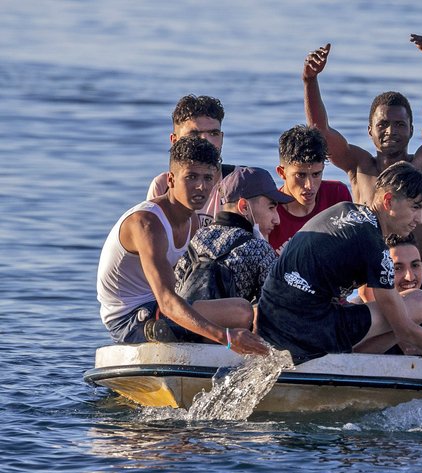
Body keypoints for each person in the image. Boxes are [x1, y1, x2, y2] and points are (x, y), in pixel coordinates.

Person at [256, 162, 422, 373]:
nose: (419, 219)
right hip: (302, 333)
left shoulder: (346, 210)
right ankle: (350, 368)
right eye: (415, 208)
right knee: (418, 303)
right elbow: (403, 329)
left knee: (417, 302)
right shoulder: (374, 246)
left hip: (270, 319)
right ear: (388, 201)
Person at [302, 35, 422, 283]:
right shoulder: (360, 165)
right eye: (383, 124)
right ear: (370, 130)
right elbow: (319, 133)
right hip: (371, 280)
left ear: (412, 130)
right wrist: (309, 80)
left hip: (421, 278)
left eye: (400, 124)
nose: (391, 131)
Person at [97, 136, 269, 354]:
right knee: (241, 312)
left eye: (208, 178)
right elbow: (168, 301)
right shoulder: (147, 224)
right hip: (130, 321)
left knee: (247, 307)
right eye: (191, 177)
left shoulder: (192, 221)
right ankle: (167, 334)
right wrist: (226, 337)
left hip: (161, 308)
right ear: (170, 179)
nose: (201, 186)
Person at [174, 166, 291, 305]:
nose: (276, 219)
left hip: (184, 322)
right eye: (271, 208)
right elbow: (274, 306)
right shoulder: (259, 249)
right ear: (244, 207)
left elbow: (176, 287)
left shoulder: (199, 238)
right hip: (228, 326)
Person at [146, 95, 236, 228]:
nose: (206, 140)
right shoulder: (163, 185)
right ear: (174, 140)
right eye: (194, 134)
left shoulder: (240, 182)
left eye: (214, 133)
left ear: (222, 138)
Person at [268, 125, 351, 253]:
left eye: (316, 174)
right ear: (282, 172)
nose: (310, 186)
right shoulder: (269, 213)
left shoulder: (337, 196)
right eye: (301, 175)